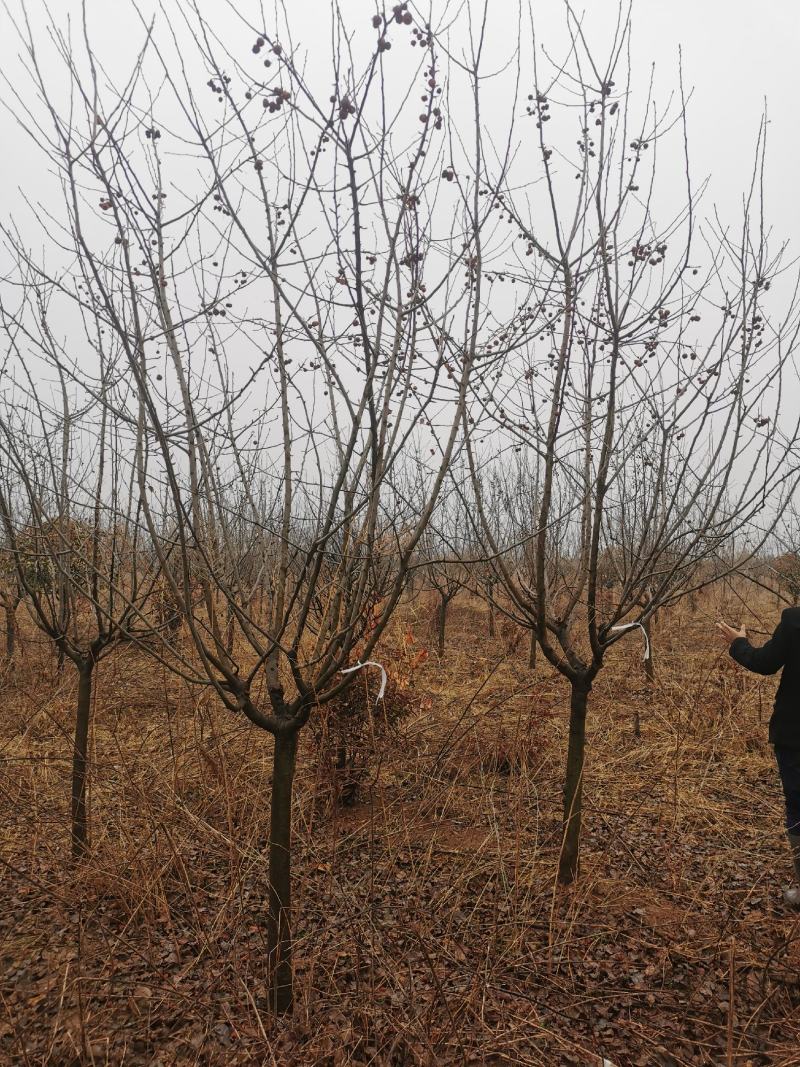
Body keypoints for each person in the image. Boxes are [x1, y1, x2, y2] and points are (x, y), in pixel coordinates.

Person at [717, 608, 800, 908]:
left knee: (798, 807)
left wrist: (738, 642)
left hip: (794, 736)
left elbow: (765, 663)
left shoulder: (795, 621)